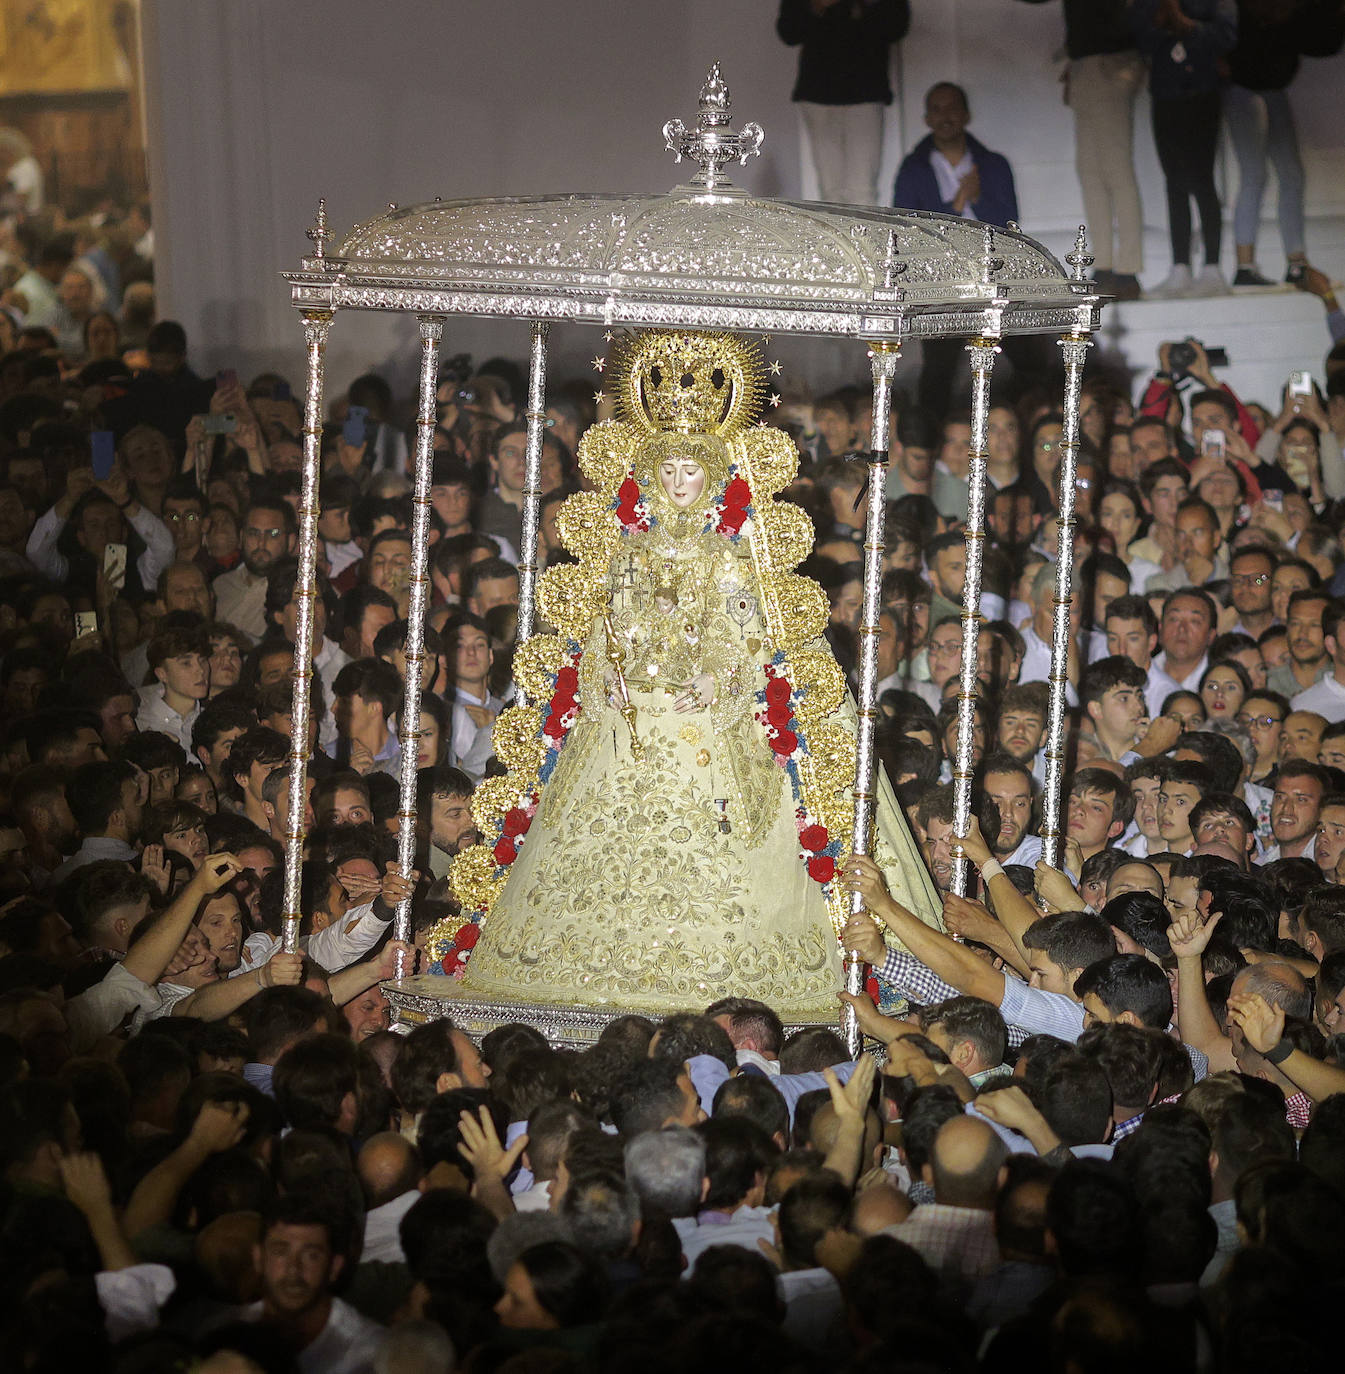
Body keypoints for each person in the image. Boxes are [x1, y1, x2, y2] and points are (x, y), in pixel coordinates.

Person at [437, 330, 942, 1021]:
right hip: (624, 722)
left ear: (713, 478)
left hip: (707, 724)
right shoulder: (628, 550)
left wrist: (720, 678)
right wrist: (606, 675)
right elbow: (604, 625)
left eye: (691, 474)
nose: (678, 486)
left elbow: (750, 634)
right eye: (668, 472)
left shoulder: (730, 554)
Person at [1015, 0, 1145, 299]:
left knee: (1117, 170)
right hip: (1086, 63)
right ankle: (1105, 266)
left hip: (1112, 61)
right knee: (1090, 172)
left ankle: (1128, 270)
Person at [1131, 0, 1239, 299]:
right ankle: (1180, 267)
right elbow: (1139, 37)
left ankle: (1212, 268)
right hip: (1165, 93)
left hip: (1202, 91)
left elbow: (1226, 36)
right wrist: (1161, 22)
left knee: (1202, 178)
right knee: (1174, 180)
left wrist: (1187, 25)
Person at [775, 0, 911, 205]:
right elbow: (789, 32)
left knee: (864, 189)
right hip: (819, 91)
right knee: (830, 191)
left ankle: (862, 228)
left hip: (865, 89)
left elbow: (897, 26)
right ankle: (834, 228)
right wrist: (818, 6)